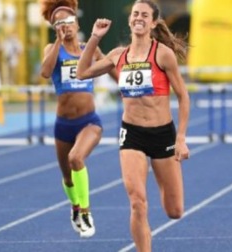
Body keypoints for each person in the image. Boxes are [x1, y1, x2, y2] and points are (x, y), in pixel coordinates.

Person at [76, 0, 190, 250]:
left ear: (153, 22)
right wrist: (94, 37)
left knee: (175, 210)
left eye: (144, 15)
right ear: (130, 20)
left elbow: (183, 96)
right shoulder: (118, 55)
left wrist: (180, 137)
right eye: (135, 13)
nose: (138, 17)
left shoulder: (163, 54)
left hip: (163, 135)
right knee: (137, 201)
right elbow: (82, 73)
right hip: (132, 134)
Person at [39, 0, 117, 238]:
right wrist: (58, 43)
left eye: (68, 20)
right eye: (59, 22)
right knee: (67, 177)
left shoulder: (89, 49)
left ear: (77, 22)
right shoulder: (52, 49)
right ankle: (75, 207)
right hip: (63, 124)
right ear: (54, 27)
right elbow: (44, 72)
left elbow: (117, 76)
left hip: (89, 122)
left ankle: (85, 211)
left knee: (76, 158)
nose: (65, 25)